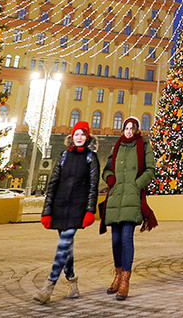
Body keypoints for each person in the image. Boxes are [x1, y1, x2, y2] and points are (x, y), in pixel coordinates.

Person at [35, 121, 99, 304]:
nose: (79, 138)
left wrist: (89, 211)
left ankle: (49, 286)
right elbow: (53, 184)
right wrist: (46, 211)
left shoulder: (91, 158)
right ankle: (72, 282)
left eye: (83, 135)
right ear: (72, 137)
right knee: (67, 249)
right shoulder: (63, 156)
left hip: (78, 208)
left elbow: (93, 187)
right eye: (76, 134)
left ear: (87, 138)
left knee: (63, 245)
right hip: (60, 206)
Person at [101, 116, 157, 301]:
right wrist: (110, 179)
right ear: (123, 129)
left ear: (137, 130)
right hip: (116, 198)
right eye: (127, 127)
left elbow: (151, 170)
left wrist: (136, 184)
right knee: (116, 240)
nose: (129, 131)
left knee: (126, 238)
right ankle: (117, 276)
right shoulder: (116, 146)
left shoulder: (144, 146)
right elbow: (107, 169)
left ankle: (125, 281)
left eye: (133, 128)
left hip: (132, 198)